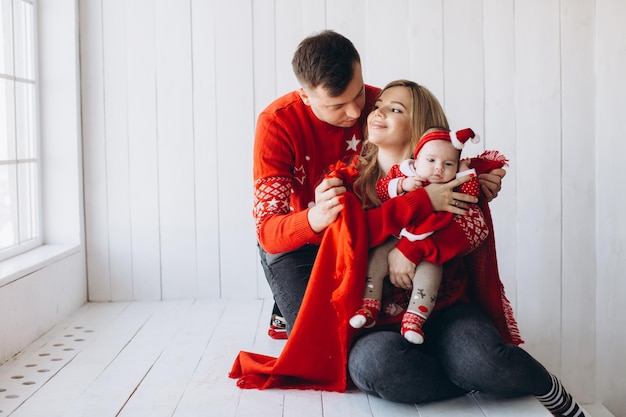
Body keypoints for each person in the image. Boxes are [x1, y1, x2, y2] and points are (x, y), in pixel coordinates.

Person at [252, 30, 586, 417]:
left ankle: (471, 363)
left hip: (436, 298)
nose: (359, 114)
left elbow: (448, 159)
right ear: (306, 96)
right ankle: (292, 302)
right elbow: (273, 232)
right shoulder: (290, 133)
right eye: (338, 105)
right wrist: (317, 218)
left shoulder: (385, 111)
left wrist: (475, 181)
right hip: (311, 240)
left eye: (362, 95)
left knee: (477, 356)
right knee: (333, 355)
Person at [349, 124, 485, 346]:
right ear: (417, 158)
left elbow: (472, 198)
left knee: (431, 270)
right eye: (431, 160)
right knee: (376, 257)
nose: (438, 168)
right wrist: (402, 185)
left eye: (447, 163)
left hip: (429, 243)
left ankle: (415, 318)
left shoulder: (455, 184)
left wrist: (466, 171)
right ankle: (369, 304)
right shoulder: (404, 173)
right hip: (396, 237)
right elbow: (382, 190)